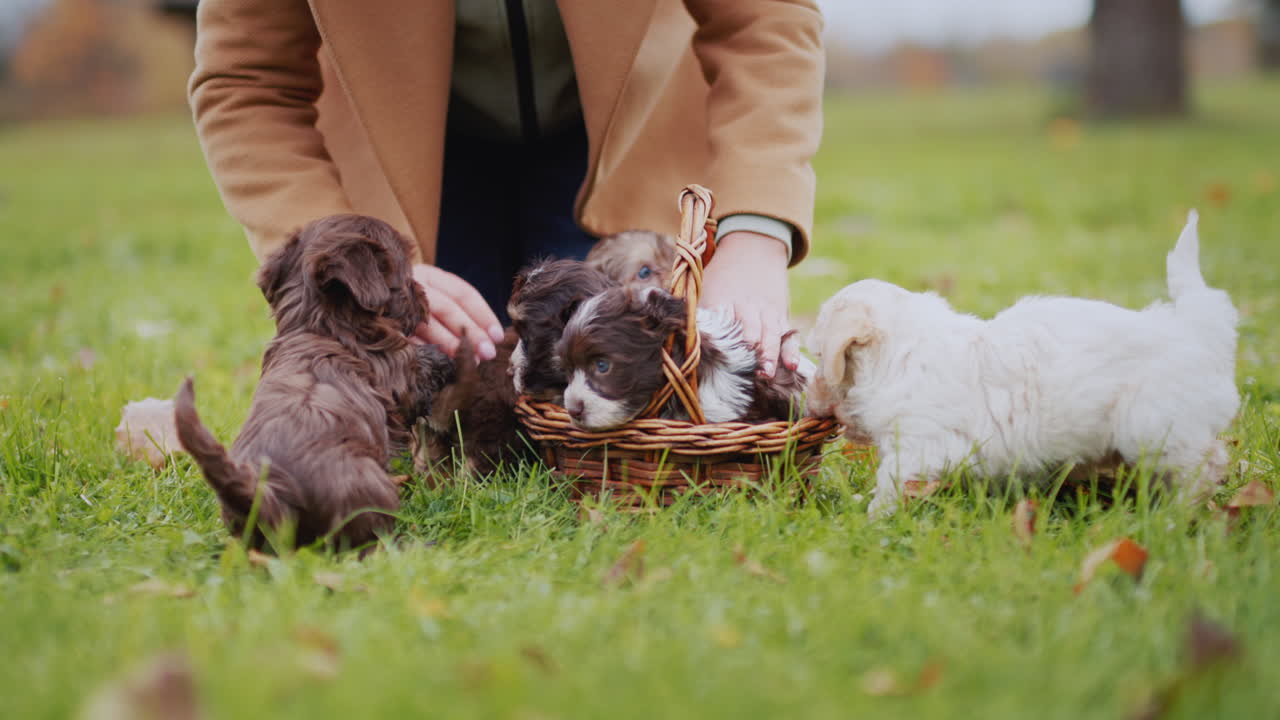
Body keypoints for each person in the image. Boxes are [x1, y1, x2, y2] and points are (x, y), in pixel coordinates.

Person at [189, 0, 824, 379]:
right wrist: (352, 259)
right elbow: (246, 81)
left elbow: (763, 25)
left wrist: (753, 235)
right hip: (411, 159)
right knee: (450, 389)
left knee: (622, 371)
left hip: (622, 142)